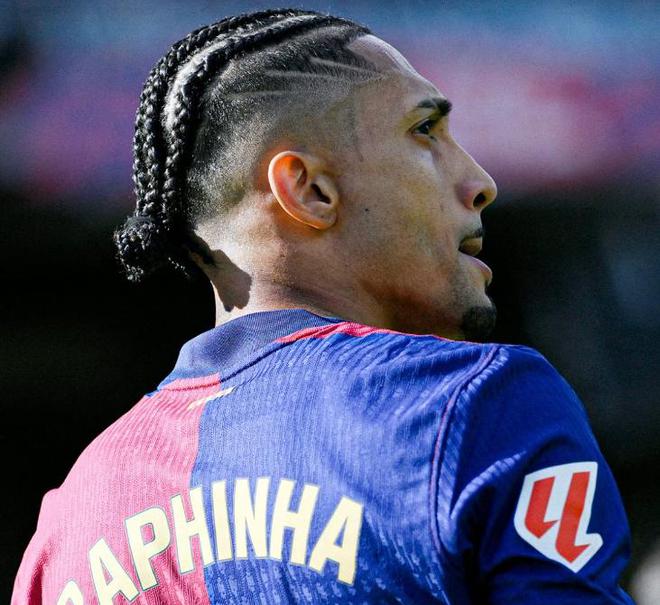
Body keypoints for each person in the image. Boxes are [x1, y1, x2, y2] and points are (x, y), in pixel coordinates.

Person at [12, 8, 634, 604]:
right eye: (425, 131)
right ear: (308, 189)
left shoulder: (70, 523)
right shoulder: (474, 404)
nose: (480, 182)